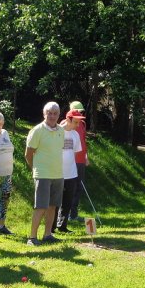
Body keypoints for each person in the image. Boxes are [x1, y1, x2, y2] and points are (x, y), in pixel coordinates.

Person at [25, 101, 65, 246]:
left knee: (53, 206)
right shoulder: (37, 130)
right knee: (40, 206)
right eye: (49, 113)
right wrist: (35, 169)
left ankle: (47, 234)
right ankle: (32, 238)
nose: (52, 116)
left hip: (58, 174)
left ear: (59, 115)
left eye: (55, 113)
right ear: (44, 114)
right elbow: (28, 154)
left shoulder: (61, 130)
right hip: (42, 174)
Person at [53, 109, 83, 233]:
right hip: (57, 173)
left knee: (67, 201)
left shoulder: (75, 135)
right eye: (76, 122)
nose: (78, 125)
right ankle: (51, 227)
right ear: (68, 120)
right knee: (55, 201)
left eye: (79, 122)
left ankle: (62, 226)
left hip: (71, 173)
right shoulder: (56, 131)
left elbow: (75, 153)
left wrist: (71, 167)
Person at [68, 100, 88, 223]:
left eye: (81, 112)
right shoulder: (66, 123)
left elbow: (83, 141)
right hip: (71, 161)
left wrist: (86, 156)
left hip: (81, 160)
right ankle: (66, 214)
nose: (79, 114)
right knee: (71, 188)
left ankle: (73, 214)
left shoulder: (83, 124)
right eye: (77, 111)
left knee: (79, 188)